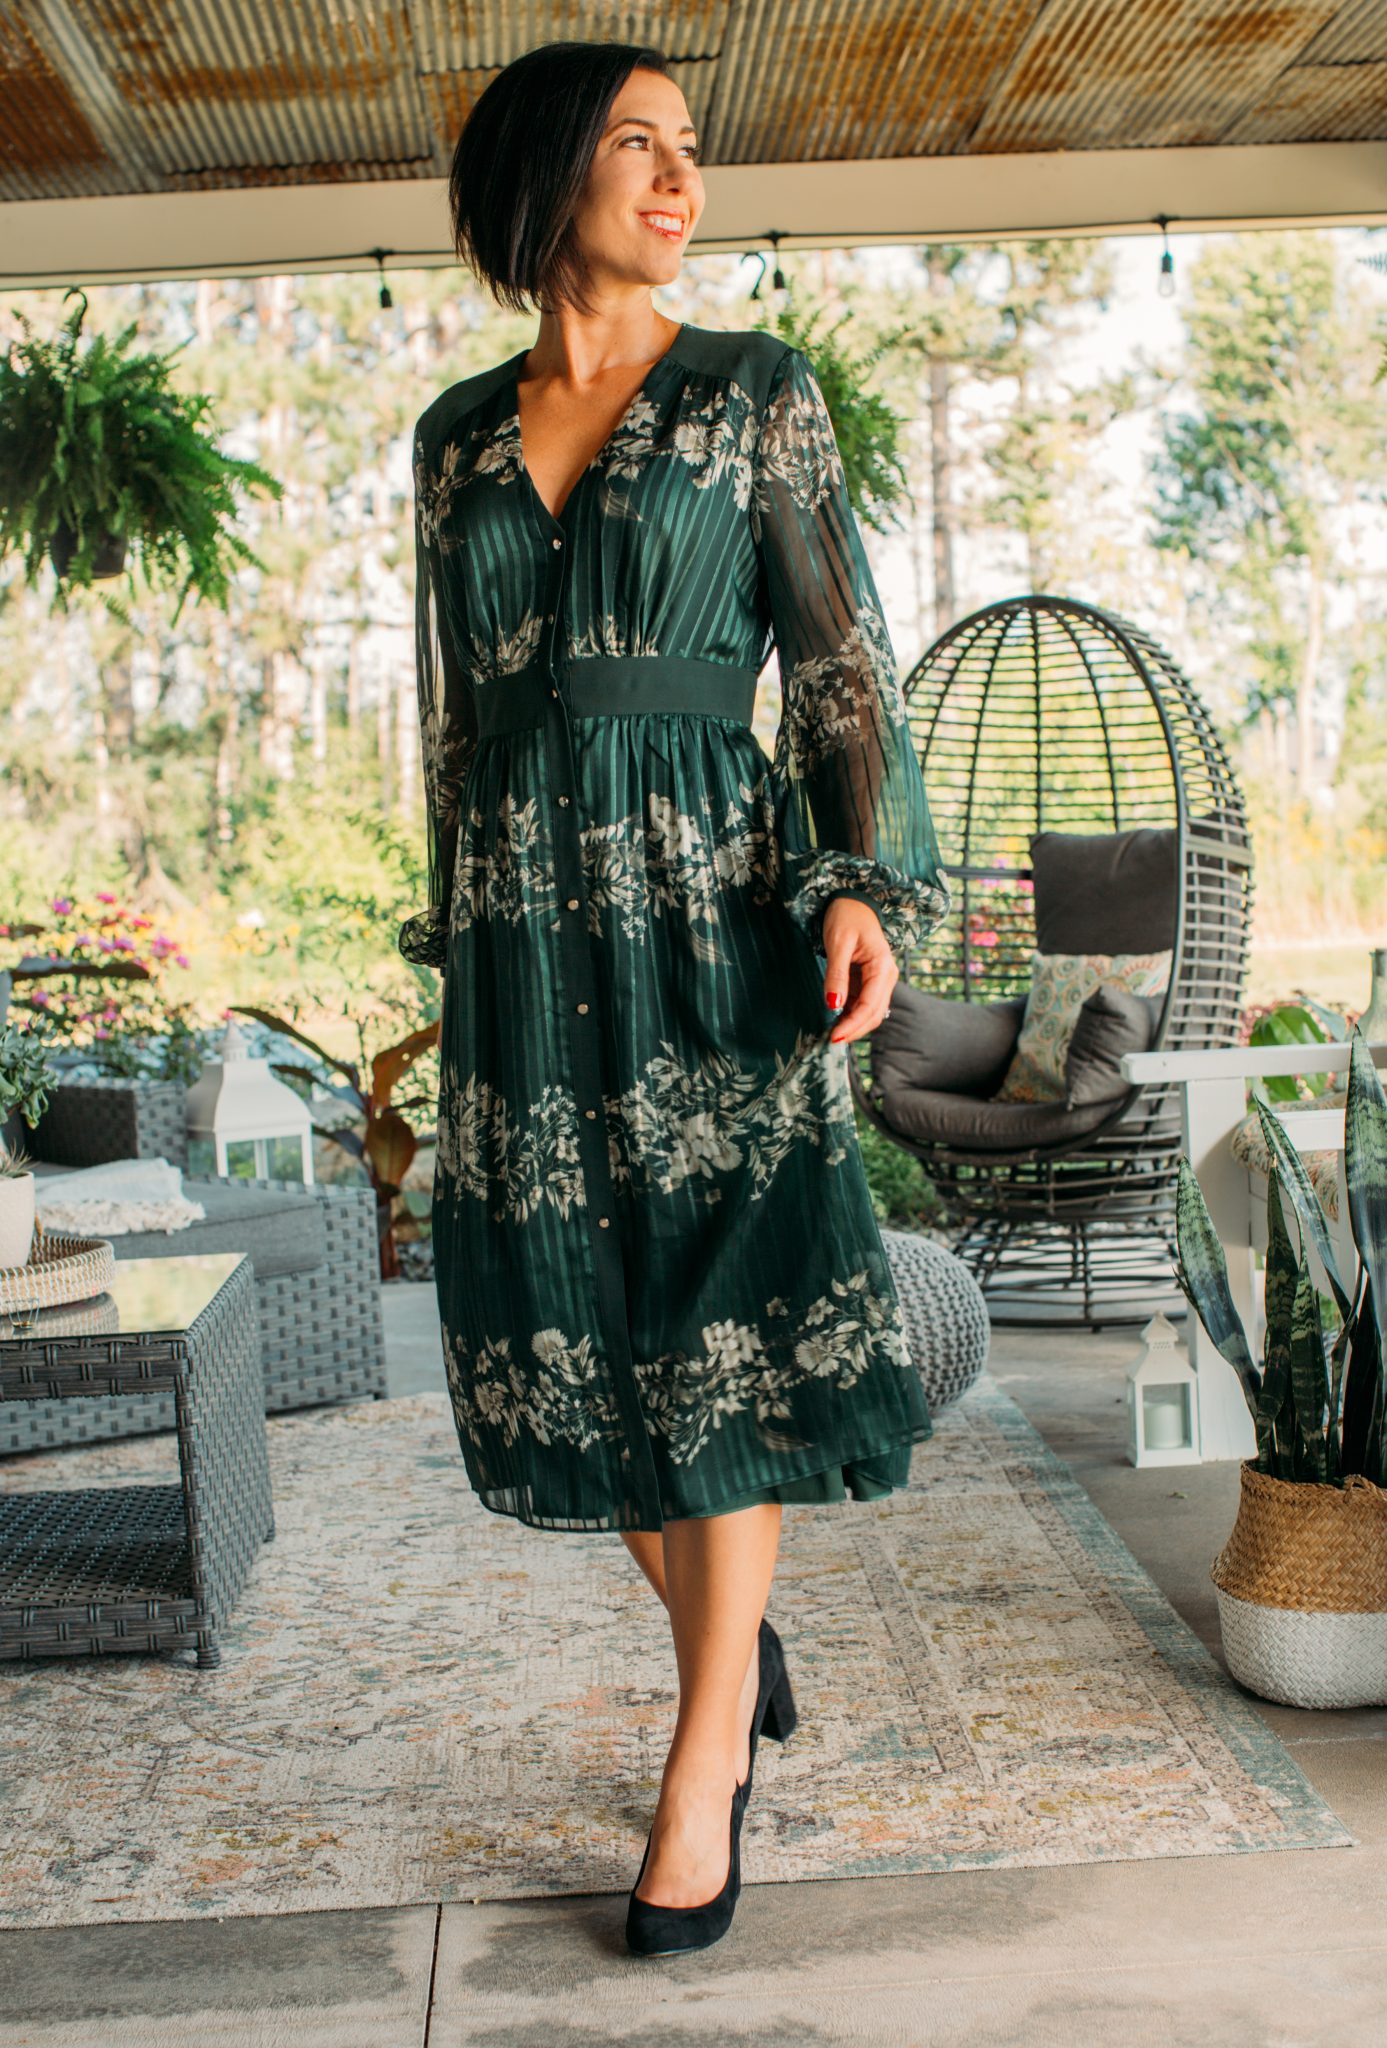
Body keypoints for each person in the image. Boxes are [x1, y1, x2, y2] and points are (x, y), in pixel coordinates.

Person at [401, 39, 950, 1956]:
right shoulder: (455, 437)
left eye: (688, 149)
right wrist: (449, 936)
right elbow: (453, 724)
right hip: (526, 935)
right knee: (566, 1320)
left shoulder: (751, 397)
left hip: (714, 912)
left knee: (733, 1303)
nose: (675, 177)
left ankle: (704, 1752)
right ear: (547, 175)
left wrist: (862, 882)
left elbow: (842, 666)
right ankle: (736, 1627)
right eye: (633, 145)